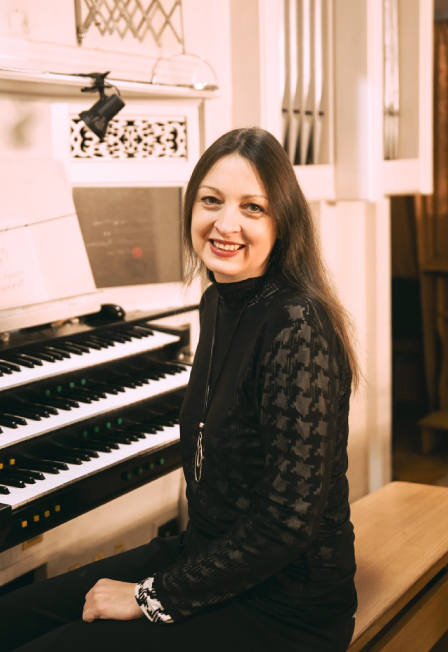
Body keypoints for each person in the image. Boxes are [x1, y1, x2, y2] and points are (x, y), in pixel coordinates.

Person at [1, 127, 359, 652]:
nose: (226, 223)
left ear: (283, 221)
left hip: (285, 606)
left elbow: (286, 524)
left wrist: (149, 596)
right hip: (207, 554)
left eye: (252, 207)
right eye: (211, 201)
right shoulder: (218, 301)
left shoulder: (297, 323)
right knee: (11, 617)